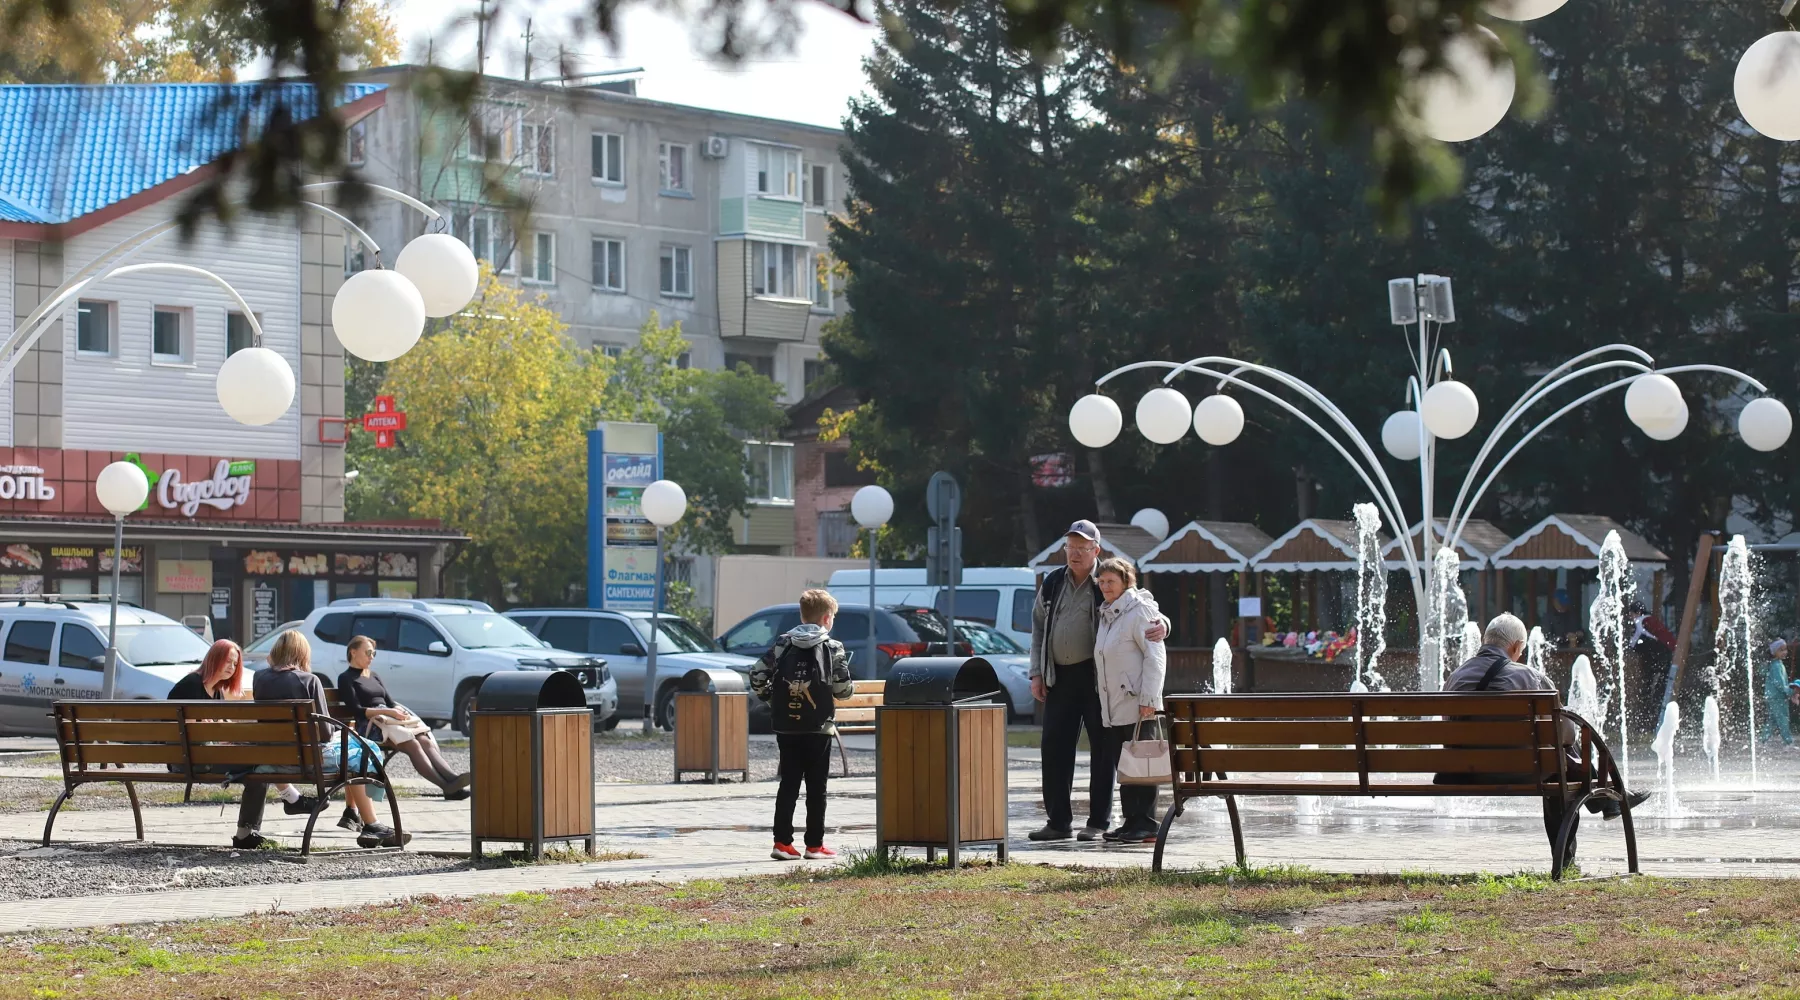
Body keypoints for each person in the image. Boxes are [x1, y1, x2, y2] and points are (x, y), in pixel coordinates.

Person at [1439, 613, 1649, 872]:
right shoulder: (1530, 678)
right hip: (1521, 771)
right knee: (1558, 760)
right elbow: (1567, 734)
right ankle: (1583, 833)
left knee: (1555, 758)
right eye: (1521, 651)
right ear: (1516, 647)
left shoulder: (1454, 678)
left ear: (1485, 640)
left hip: (1461, 772)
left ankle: (1606, 800)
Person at [1028, 520, 1169, 842]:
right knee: (1053, 748)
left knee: (1104, 753)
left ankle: (1097, 822)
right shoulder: (1052, 583)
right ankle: (1058, 822)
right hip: (1058, 677)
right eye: (1070, 548)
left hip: (1098, 681)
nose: (1074, 554)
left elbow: (1145, 607)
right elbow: (1038, 628)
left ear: (1096, 550)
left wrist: (1164, 623)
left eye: (1082, 548)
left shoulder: (1106, 581)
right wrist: (1036, 672)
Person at [236, 630, 408, 849]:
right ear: (303, 653)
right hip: (311, 759)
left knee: (356, 749)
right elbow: (325, 733)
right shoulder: (310, 680)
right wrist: (338, 730)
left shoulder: (260, 678)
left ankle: (359, 817)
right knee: (366, 747)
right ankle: (371, 822)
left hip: (275, 754)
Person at [750, 588, 853, 861]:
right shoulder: (832, 647)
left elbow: (757, 673)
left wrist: (774, 700)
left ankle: (782, 843)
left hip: (787, 725)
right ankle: (814, 845)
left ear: (802, 614)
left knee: (789, 784)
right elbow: (843, 690)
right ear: (826, 618)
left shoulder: (784, 643)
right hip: (819, 728)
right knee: (816, 787)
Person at [173, 640, 319, 818]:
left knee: (257, 763)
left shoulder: (215, 690)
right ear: (214, 659)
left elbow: (214, 727)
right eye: (228, 661)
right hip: (187, 760)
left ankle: (250, 831)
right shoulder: (191, 685)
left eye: (235, 664)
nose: (232, 667)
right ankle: (292, 800)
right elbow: (185, 727)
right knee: (259, 764)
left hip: (202, 755)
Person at [337, 635, 472, 799]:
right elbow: (357, 710)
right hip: (372, 726)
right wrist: (388, 712)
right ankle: (447, 787)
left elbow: (390, 702)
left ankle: (452, 779)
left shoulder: (374, 676)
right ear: (353, 652)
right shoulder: (346, 678)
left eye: (373, 653)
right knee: (412, 744)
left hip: (390, 721)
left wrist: (399, 711)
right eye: (368, 652)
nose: (371, 657)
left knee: (424, 740)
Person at [1091, 558, 1167, 845]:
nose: (1105, 586)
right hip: (1115, 704)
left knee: (1143, 762)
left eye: (1111, 581)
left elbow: (1155, 656)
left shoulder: (1140, 610)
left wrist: (1149, 699)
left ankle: (1146, 823)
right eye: (1101, 582)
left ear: (1126, 582)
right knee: (1126, 764)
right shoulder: (1107, 613)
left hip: (1138, 703)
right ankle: (1130, 821)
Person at [1626, 598, 1677, 712]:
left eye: (1631, 614)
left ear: (1638, 613)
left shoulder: (1640, 621)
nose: (1631, 617)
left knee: (1651, 682)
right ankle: (1657, 706)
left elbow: (1634, 640)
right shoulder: (1651, 620)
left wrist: (1629, 647)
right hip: (1667, 652)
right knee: (1662, 682)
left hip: (1660, 654)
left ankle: (1650, 708)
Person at [1761, 639, 1794, 749]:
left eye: (1785, 649)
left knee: (1773, 719)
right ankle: (1788, 742)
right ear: (1774, 652)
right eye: (1781, 650)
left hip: (1773, 695)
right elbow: (1779, 683)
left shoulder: (1777, 664)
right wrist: (1790, 691)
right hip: (1777, 696)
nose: (1784, 652)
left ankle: (1764, 740)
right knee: (1783, 718)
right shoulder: (1776, 666)